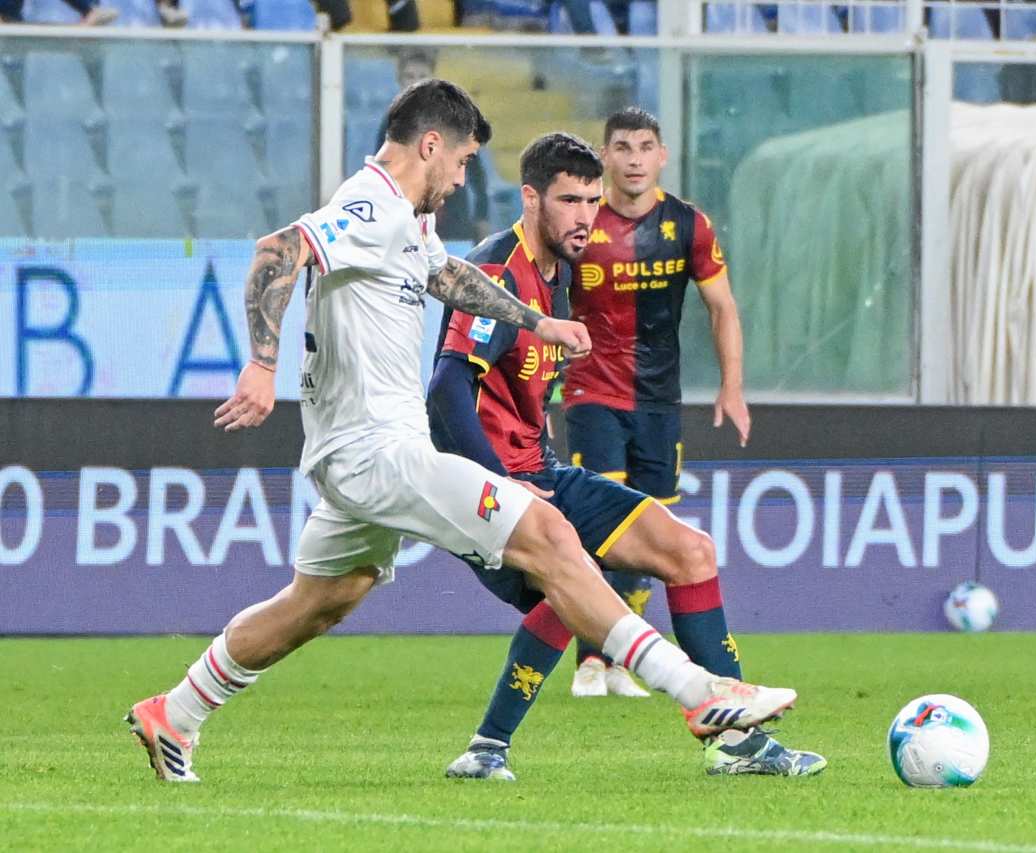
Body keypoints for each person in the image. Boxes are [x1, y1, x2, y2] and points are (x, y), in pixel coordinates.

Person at [123, 80, 798, 783]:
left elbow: (447, 275)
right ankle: (699, 693)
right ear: (431, 145)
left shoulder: (408, 221)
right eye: (464, 160)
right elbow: (278, 249)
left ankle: (176, 711)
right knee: (551, 536)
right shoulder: (372, 205)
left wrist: (536, 322)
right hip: (377, 450)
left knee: (321, 600)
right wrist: (263, 365)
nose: (462, 178)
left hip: (362, 455)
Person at [429, 132, 825, 780]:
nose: (585, 216)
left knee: (688, 551)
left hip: (541, 470)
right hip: (486, 485)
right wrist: (499, 484)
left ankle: (734, 742)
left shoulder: (560, 272)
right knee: (571, 583)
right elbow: (446, 388)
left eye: (592, 200)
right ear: (530, 198)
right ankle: (489, 746)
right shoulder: (499, 272)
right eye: (569, 200)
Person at [561, 107, 751, 698]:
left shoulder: (688, 225)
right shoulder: (581, 224)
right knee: (601, 523)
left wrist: (732, 386)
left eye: (645, 147)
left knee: (651, 531)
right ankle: (590, 660)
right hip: (592, 391)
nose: (635, 159)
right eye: (622, 147)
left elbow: (722, 306)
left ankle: (621, 662)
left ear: (662, 156)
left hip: (660, 402)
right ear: (605, 156)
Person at [374, 49, 491, 244]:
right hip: (407, 220)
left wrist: (482, 216)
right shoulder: (391, 124)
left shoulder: (454, 118)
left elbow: (476, 175)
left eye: (422, 76)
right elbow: (383, 171)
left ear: (432, 79)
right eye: (410, 76)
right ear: (400, 80)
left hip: (454, 220)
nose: (415, 83)